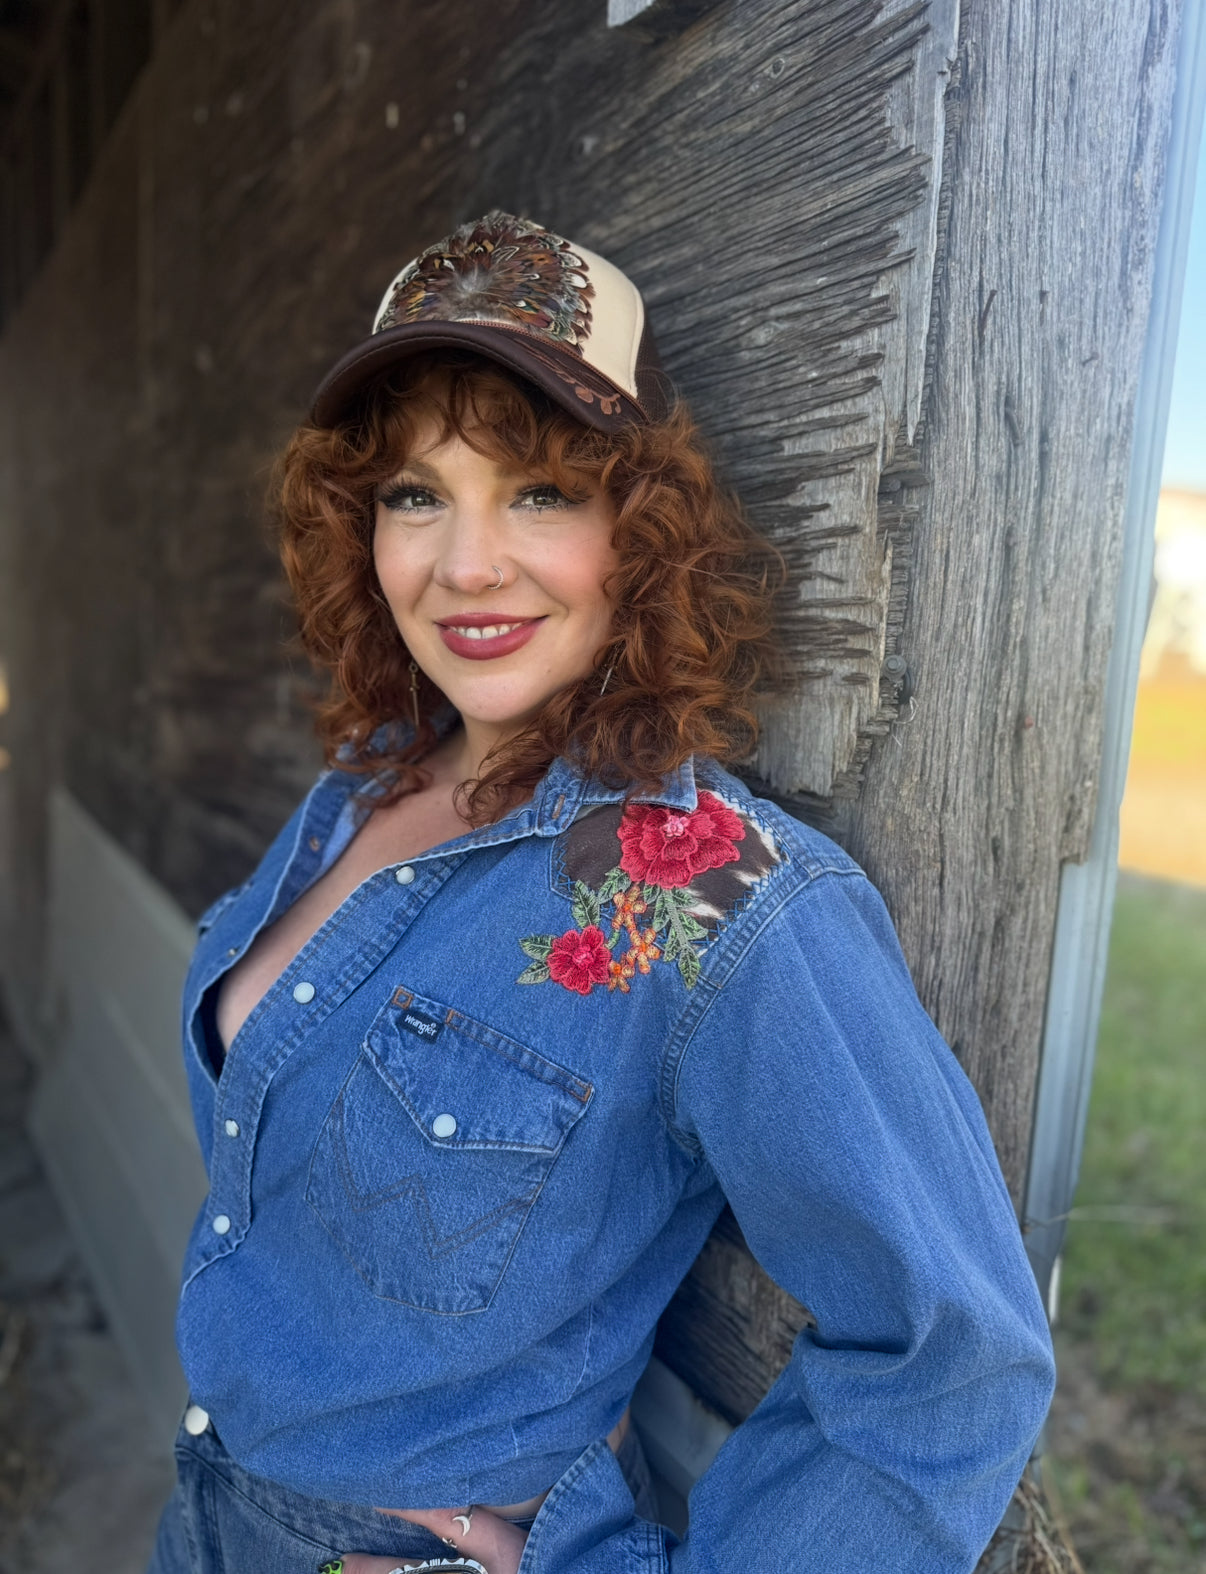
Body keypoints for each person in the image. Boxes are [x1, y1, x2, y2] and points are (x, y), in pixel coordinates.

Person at [148, 211, 1056, 1574]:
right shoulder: (359, 785)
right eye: (414, 495)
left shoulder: (714, 891)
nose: (466, 564)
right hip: (202, 1511)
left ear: (640, 526)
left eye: (538, 492)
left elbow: (954, 1358)